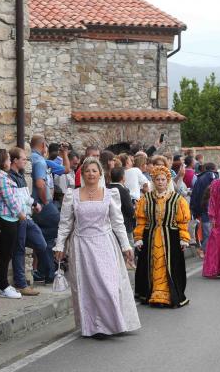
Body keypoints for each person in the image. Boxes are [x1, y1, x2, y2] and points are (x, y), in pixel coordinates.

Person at [54, 158, 140, 337]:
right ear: (82, 174)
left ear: (100, 174)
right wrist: (59, 245)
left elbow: (117, 223)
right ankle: (96, 326)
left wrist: (126, 245)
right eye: (87, 171)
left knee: (109, 286)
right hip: (81, 245)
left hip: (105, 244)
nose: (91, 174)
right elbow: (65, 223)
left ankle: (115, 322)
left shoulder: (110, 194)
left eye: (94, 171)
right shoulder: (73, 195)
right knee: (88, 288)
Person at [133, 165, 191, 307]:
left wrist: (184, 238)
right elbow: (141, 220)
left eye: (163, 179)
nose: (160, 182)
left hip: (171, 237)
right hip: (150, 236)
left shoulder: (177, 199)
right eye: (157, 179)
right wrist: (139, 237)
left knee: (168, 266)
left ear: (167, 181)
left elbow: (182, 221)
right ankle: (153, 294)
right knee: (151, 265)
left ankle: (166, 295)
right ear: (153, 181)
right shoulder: (145, 199)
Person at [8, 147, 49, 296]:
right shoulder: (10, 177)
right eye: (23, 159)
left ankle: (18, 241)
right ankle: (20, 283)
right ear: (15, 160)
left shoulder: (20, 175)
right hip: (20, 218)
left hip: (27, 217)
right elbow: (16, 200)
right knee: (19, 250)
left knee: (41, 244)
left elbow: (24, 196)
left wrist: (34, 203)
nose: (26, 161)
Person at [0, 148, 24, 299]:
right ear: (2, 161)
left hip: (11, 219)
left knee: (8, 253)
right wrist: (20, 213)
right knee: (5, 254)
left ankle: (5, 286)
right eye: (8, 159)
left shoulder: (3, 176)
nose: (10, 162)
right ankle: (3, 286)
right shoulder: (0, 177)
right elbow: (10, 199)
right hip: (6, 219)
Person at [30, 135, 59, 283]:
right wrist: (46, 201)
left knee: (41, 237)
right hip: (41, 205)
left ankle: (41, 270)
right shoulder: (40, 161)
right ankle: (48, 272)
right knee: (49, 237)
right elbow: (40, 184)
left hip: (33, 205)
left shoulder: (30, 158)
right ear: (43, 146)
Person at [190, 162, 217, 255]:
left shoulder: (199, 179)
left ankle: (207, 250)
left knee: (207, 230)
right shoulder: (215, 177)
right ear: (214, 168)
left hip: (203, 208)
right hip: (214, 208)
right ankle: (204, 249)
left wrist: (195, 210)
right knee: (212, 231)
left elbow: (195, 195)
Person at [107, 166, 136, 245]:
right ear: (123, 177)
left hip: (110, 226)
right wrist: (135, 208)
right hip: (125, 225)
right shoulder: (123, 190)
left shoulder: (106, 188)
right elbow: (130, 210)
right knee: (128, 246)